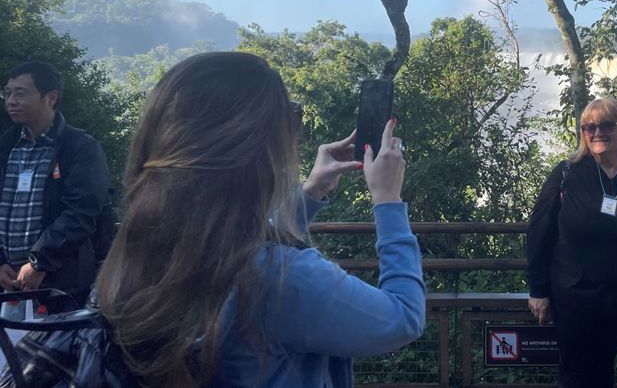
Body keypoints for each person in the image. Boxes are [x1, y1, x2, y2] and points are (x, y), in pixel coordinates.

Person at [96, 52, 425, 387]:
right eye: (289, 119)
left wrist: (311, 192)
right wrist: (388, 200)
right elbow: (403, 319)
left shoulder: (132, 256)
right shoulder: (280, 278)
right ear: (258, 150)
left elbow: (235, 237)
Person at [526, 97, 617, 388]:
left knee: (604, 367)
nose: (596, 132)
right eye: (588, 127)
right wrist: (538, 289)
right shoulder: (567, 173)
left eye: (606, 125)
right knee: (575, 371)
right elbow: (538, 232)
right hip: (573, 295)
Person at [0, 62, 110, 311]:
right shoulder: (5, 147)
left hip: (60, 284)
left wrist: (40, 263)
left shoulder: (80, 147)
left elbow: (81, 212)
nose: (11, 101)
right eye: (7, 93)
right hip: (8, 283)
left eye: (20, 93)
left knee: (54, 349)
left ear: (50, 97)